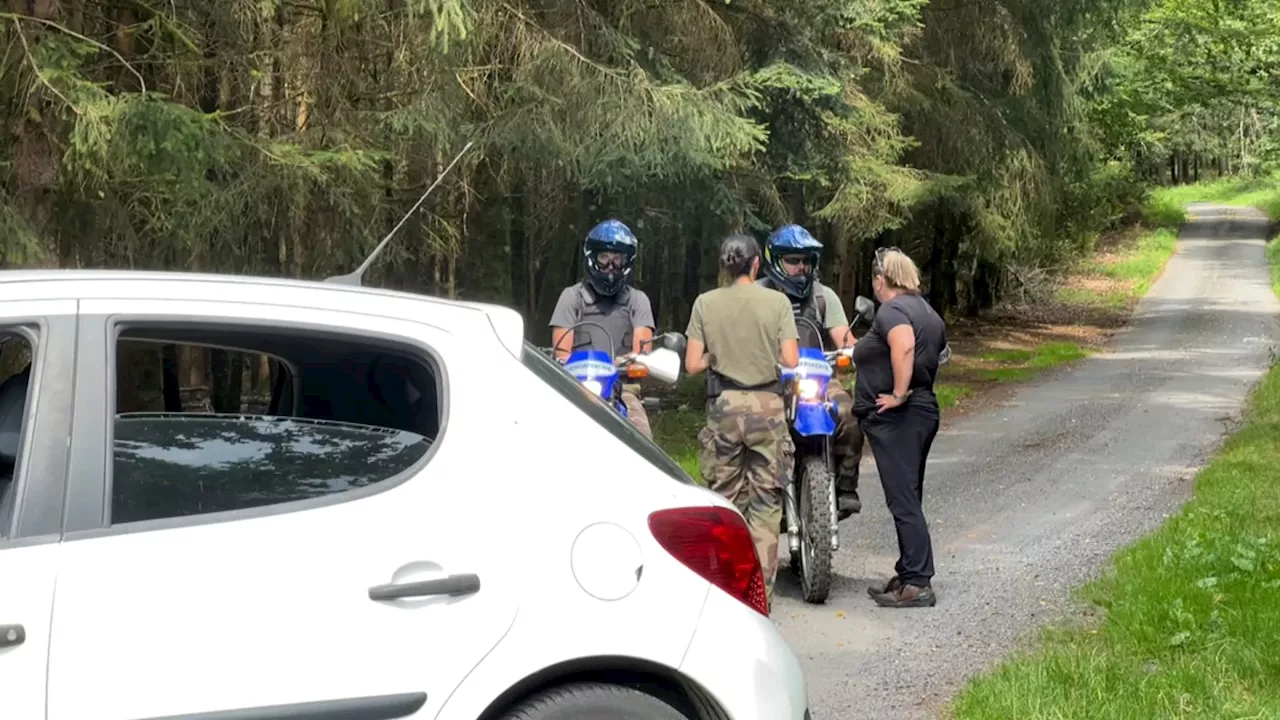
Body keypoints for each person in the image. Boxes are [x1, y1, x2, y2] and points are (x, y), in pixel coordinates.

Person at [684, 233, 800, 609]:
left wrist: (719, 354)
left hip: (725, 405)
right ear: (755, 264)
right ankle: (759, 600)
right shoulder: (777, 302)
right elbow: (792, 360)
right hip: (768, 405)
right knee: (767, 505)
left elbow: (692, 364)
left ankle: (722, 594)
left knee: (724, 503)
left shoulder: (705, 303)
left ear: (725, 266)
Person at [853, 247, 948, 608]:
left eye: (875, 281)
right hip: (923, 411)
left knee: (903, 499)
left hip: (899, 417)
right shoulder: (926, 310)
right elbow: (936, 352)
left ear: (881, 280)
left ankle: (918, 583)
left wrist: (897, 392)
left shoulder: (892, 310)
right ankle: (909, 570)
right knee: (910, 494)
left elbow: (905, 346)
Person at [758, 223, 866, 519]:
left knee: (848, 414)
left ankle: (845, 487)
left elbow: (844, 337)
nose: (801, 267)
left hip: (818, 377)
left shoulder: (822, 296)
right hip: (769, 379)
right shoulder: (758, 295)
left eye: (806, 261)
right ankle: (756, 497)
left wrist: (853, 350)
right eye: (793, 260)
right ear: (776, 261)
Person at [549, 219, 656, 438]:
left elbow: (643, 351)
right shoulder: (571, 297)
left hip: (624, 389)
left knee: (642, 437)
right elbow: (561, 352)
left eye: (617, 259)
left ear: (627, 261)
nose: (610, 265)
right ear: (592, 258)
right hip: (577, 388)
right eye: (604, 257)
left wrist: (626, 362)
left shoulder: (638, 300)